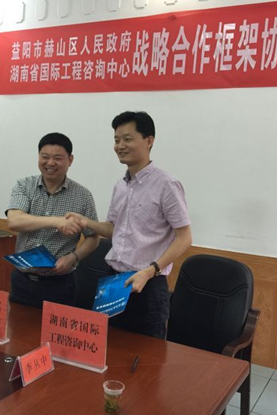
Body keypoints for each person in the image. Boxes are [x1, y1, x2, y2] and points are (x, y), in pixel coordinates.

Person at [67, 111, 192, 339]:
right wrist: (85, 222)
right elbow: (114, 230)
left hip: (148, 284)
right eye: (116, 140)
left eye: (127, 139)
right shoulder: (121, 186)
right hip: (114, 280)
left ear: (149, 141)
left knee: (147, 356)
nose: (120, 146)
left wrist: (150, 271)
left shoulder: (166, 184)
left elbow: (184, 238)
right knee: (109, 346)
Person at [6, 132, 100, 308]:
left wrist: (74, 257)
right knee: (18, 324)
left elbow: (93, 237)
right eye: (45, 157)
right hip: (22, 281)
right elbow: (14, 221)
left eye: (57, 158)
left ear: (70, 160)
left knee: (55, 327)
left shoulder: (83, 196)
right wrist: (57, 221)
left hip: (60, 284)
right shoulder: (24, 185)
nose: (50, 163)